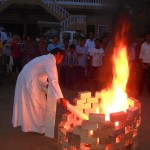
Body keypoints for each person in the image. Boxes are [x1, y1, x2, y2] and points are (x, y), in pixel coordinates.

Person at [12, 48, 68, 138]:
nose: (61, 60)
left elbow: (42, 76)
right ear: (58, 54)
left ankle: (36, 126)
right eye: (61, 58)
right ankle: (39, 128)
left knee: (40, 103)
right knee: (36, 104)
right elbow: (54, 81)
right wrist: (61, 98)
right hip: (29, 80)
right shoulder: (50, 60)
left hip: (31, 79)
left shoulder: (47, 59)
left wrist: (47, 86)